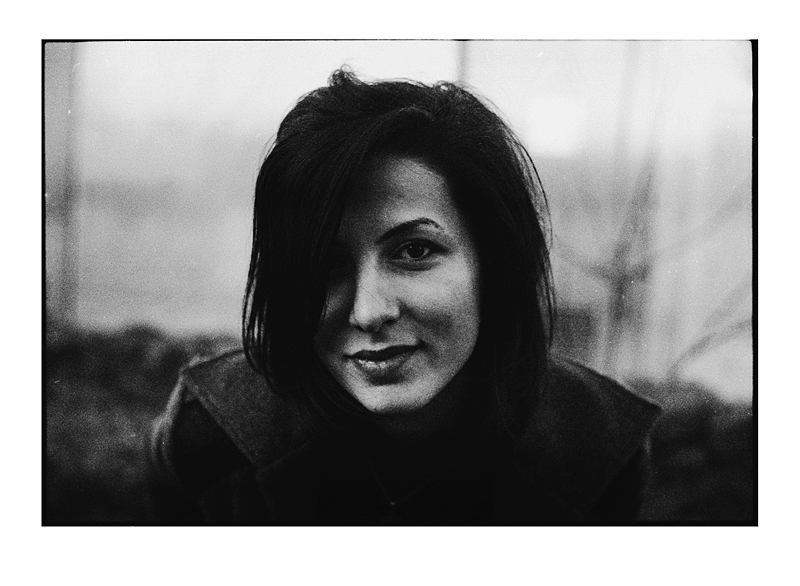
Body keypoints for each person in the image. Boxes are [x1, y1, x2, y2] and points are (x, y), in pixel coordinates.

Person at [146, 69, 661, 524]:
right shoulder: (211, 435)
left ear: (494, 263)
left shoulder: (595, 450)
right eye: (323, 265)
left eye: (414, 251)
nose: (369, 311)